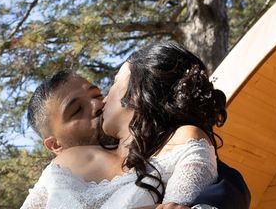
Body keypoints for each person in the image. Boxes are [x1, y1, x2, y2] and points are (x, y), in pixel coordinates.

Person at [20, 41, 251, 209]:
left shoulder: (184, 146)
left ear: (139, 94)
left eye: (101, 91)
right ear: (55, 145)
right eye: (76, 110)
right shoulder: (62, 168)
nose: (98, 104)